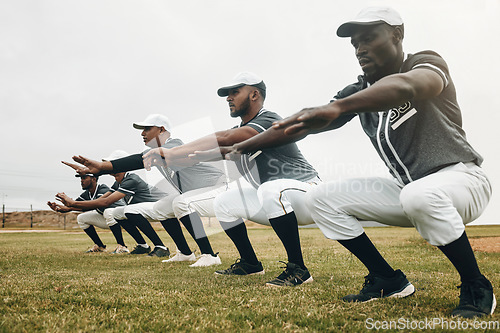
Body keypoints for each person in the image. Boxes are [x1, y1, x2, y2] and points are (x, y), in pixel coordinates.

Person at [227, 7, 495, 318]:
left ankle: (476, 286)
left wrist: (340, 106)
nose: (360, 49)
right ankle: (387, 279)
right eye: (355, 44)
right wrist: (241, 146)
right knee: (321, 198)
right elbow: (298, 127)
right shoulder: (360, 90)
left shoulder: (424, 63)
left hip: (462, 179)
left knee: (418, 195)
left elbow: (408, 87)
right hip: (409, 189)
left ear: (397, 35)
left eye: (369, 38)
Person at [143, 72, 320, 286]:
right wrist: (182, 154)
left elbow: (226, 138)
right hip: (275, 200)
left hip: (308, 193)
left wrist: (174, 151)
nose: (228, 98)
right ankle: (250, 263)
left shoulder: (268, 119)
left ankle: (299, 270)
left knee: (271, 190)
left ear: (254, 94)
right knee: (225, 202)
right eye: (227, 94)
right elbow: (226, 149)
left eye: (235, 92)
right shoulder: (242, 130)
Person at [68, 115, 226, 267]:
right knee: (162, 208)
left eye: (147, 129)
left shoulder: (173, 144)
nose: (142, 133)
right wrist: (98, 171)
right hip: (199, 194)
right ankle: (185, 253)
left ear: (161, 130)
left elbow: (136, 160)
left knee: (181, 202)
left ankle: (209, 255)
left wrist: (101, 168)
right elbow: (134, 161)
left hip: (219, 189)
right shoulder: (156, 151)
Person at [59, 150, 170, 257]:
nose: (110, 166)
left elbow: (105, 202)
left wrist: (73, 203)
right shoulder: (118, 182)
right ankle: (143, 246)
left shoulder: (131, 179)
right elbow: (100, 200)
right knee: (118, 212)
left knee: (124, 210)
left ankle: (161, 247)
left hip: (164, 207)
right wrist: (71, 206)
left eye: (113, 163)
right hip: (152, 209)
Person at [48, 173, 127, 253]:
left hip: (124, 218)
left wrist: (71, 205)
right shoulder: (87, 194)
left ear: (94, 179)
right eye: (81, 178)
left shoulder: (103, 189)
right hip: (110, 219)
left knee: (107, 212)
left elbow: (94, 205)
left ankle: (122, 247)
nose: (81, 181)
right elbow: (75, 206)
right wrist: (60, 208)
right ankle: (100, 247)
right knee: (81, 218)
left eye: (84, 178)